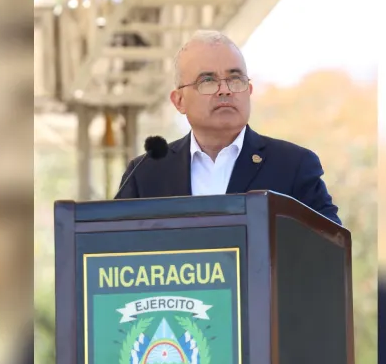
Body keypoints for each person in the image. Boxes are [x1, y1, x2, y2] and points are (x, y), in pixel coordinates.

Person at [115, 30, 341, 225]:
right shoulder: (145, 173)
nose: (225, 90)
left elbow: (331, 247)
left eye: (235, 79)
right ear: (179, 101)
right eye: (208, 81)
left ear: (248, 91)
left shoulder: (293, 166)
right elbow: (112, 247)